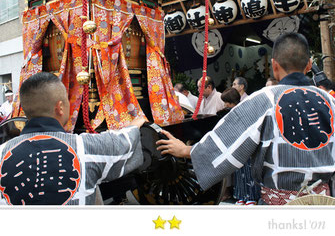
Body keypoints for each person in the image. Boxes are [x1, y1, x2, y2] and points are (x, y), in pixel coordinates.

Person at [157, 32, 335, 205]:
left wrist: (185, 150)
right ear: (310, 65)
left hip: (278, 207)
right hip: (324, 205)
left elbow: (227, 139)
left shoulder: (265, 99)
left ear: (274, 66)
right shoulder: (330, 101)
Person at [0, 72, 145, 205]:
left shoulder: (2, 153)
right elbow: (122, 142)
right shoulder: (85, 148)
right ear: (60, 107)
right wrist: (135, 125)